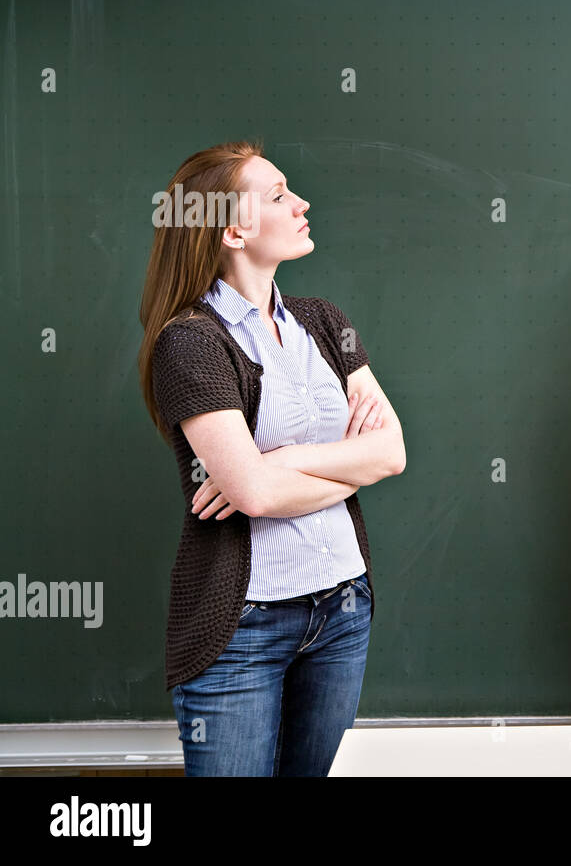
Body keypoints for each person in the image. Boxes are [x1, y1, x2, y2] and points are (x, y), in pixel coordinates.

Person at [137, 139, 406, 775]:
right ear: (233, 228)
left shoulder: (323, 322)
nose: (302, 202)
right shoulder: (192, 342)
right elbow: (253, 498)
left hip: (343, 608)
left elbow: (391, 452)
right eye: (280, 195)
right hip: (243, 628)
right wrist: (341, 460)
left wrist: (281, 462)